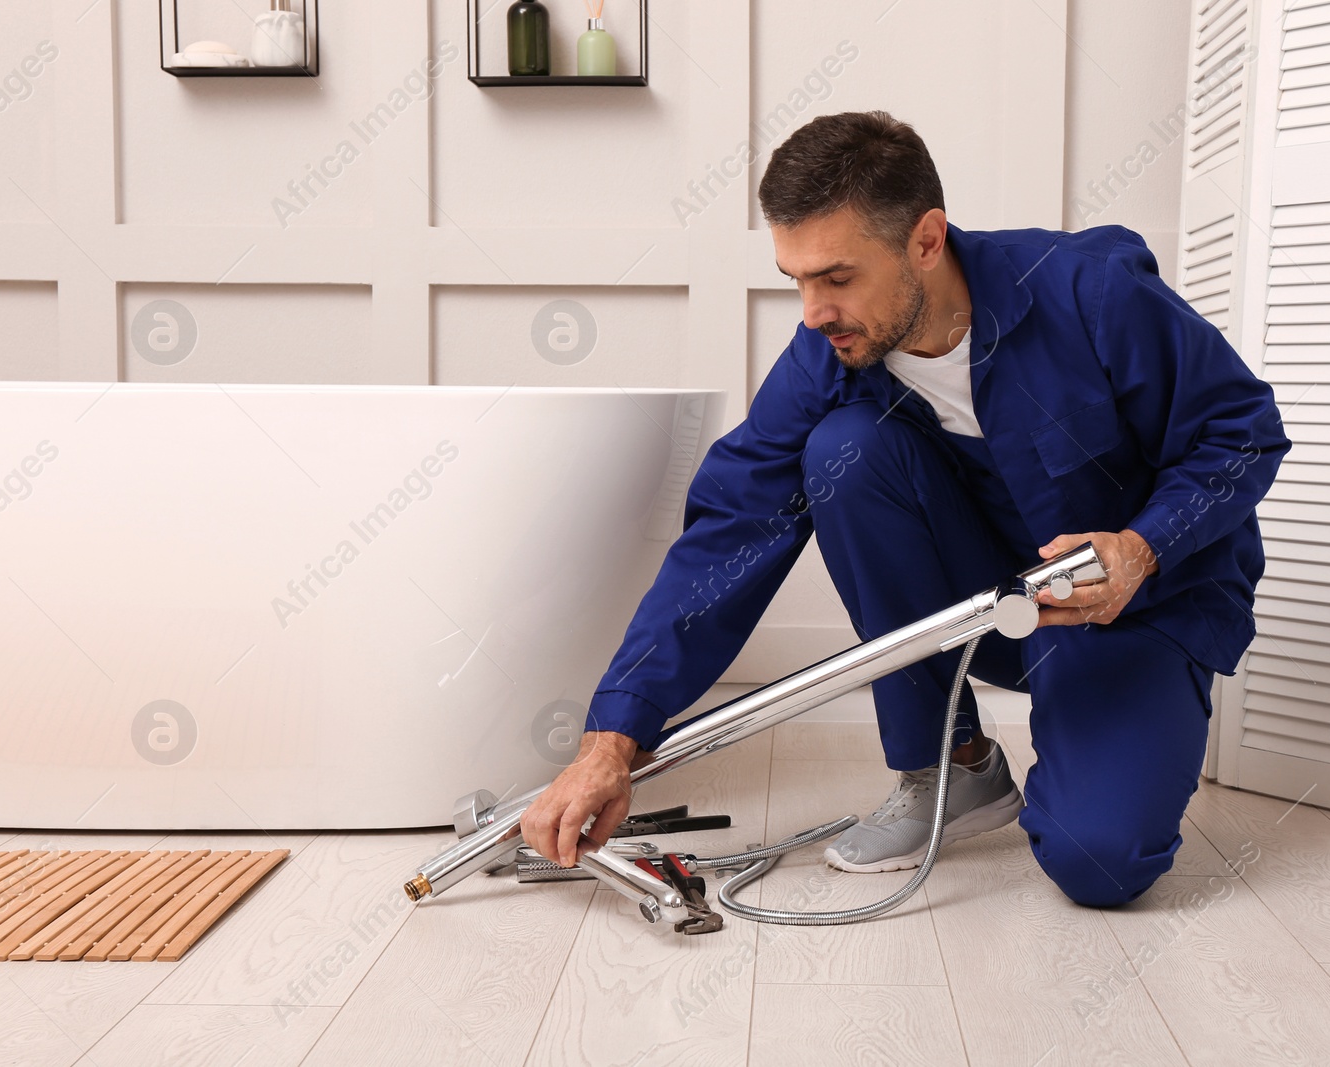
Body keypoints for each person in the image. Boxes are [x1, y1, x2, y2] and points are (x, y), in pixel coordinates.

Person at [520, 110, 1290, 908]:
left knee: (1099, 863)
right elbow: (732, 527)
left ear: (926, 240)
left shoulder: (1088, 292)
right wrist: (612, 739)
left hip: (1130, 607)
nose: (813, 310)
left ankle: (1109, 732)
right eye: (797, 279)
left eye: (837, 277)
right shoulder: (831, 354)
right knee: (843, 448)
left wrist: (1140, 546)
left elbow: (1244, 433)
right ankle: (952, 768)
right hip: (992, 610)